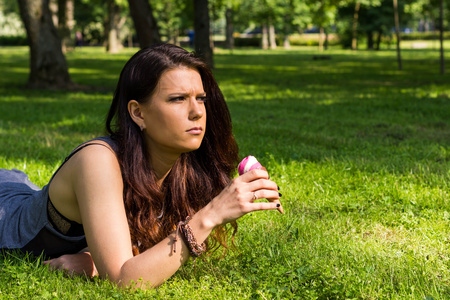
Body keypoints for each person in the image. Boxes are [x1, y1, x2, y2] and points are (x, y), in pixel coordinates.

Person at [0, 43, 281, 288]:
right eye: (178, 99)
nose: (196, 112)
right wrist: (210, 215)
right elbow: (125, 279)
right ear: (138, 112)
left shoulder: (181, 162)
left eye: (200, 98)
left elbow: (141, 241)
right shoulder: (97, 161)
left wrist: (90, 258)